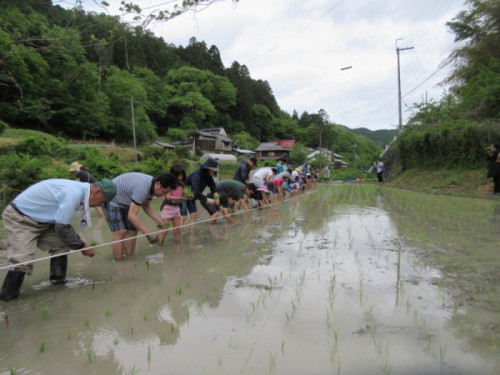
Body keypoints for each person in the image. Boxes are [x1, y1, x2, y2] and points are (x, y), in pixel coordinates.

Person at [0, 178, 116, 301]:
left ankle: (58, 283)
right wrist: (82, 247)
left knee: (62, 245)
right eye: (102, 201)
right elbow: (62, 228)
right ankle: (8, 300)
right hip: (21, 218)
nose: (99, 205)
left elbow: (63, 224)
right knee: (22, 259)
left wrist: (80, 242)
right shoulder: (74, 193)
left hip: (45, 221)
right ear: (97, 193)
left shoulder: (81, 191)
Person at [103, 172, 177, 261]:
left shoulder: (152, 187)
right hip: (112, 200)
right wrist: (148, 234)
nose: (163, 195)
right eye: (164, 192)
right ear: (158, 184)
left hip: (127, 201)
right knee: (120, 232)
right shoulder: (142, 188)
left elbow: (146, 205)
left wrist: (157, 219)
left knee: (133, 229)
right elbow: (131, 215)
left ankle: (129, 258)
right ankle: (119, 263)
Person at [185, 158, 220, 225]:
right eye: (212, 170)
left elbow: (213, 187)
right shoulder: (197, 175)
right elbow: (196, 191)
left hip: (193, 197)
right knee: (183, 217)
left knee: (194, 215)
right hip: (183, 196)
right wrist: (208, 199)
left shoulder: (208, 176)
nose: (213, 172)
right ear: (207, 169)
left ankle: (191, 234)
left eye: (214, 171)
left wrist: (216, 197)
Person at [158, 164, 186, 245]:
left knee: (178, 231)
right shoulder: (169, 184)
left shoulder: (182, 185)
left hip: (176, 209)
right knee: (164, 231)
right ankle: (159, 248)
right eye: (179, 176)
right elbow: (168, 197)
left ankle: (179, 249)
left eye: (181, 176)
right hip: (167, 209)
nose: (180, 178)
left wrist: (188, 196)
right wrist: (181, 198)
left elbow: (184, 194)